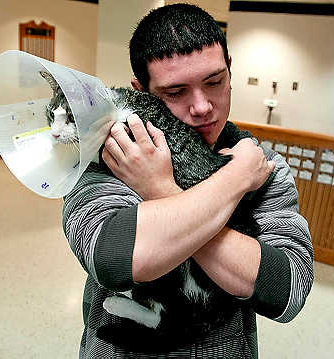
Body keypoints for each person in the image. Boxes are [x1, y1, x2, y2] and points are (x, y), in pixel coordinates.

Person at [62, 4, 313, 358]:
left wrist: (161, 193)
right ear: (142, 91)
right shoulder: (108, 155)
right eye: (176, 92)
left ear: (230, 72)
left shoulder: (263, 166)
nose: (202, 107)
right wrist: (233, 181)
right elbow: (113, 258)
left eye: (215, 82)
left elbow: (285, 291)